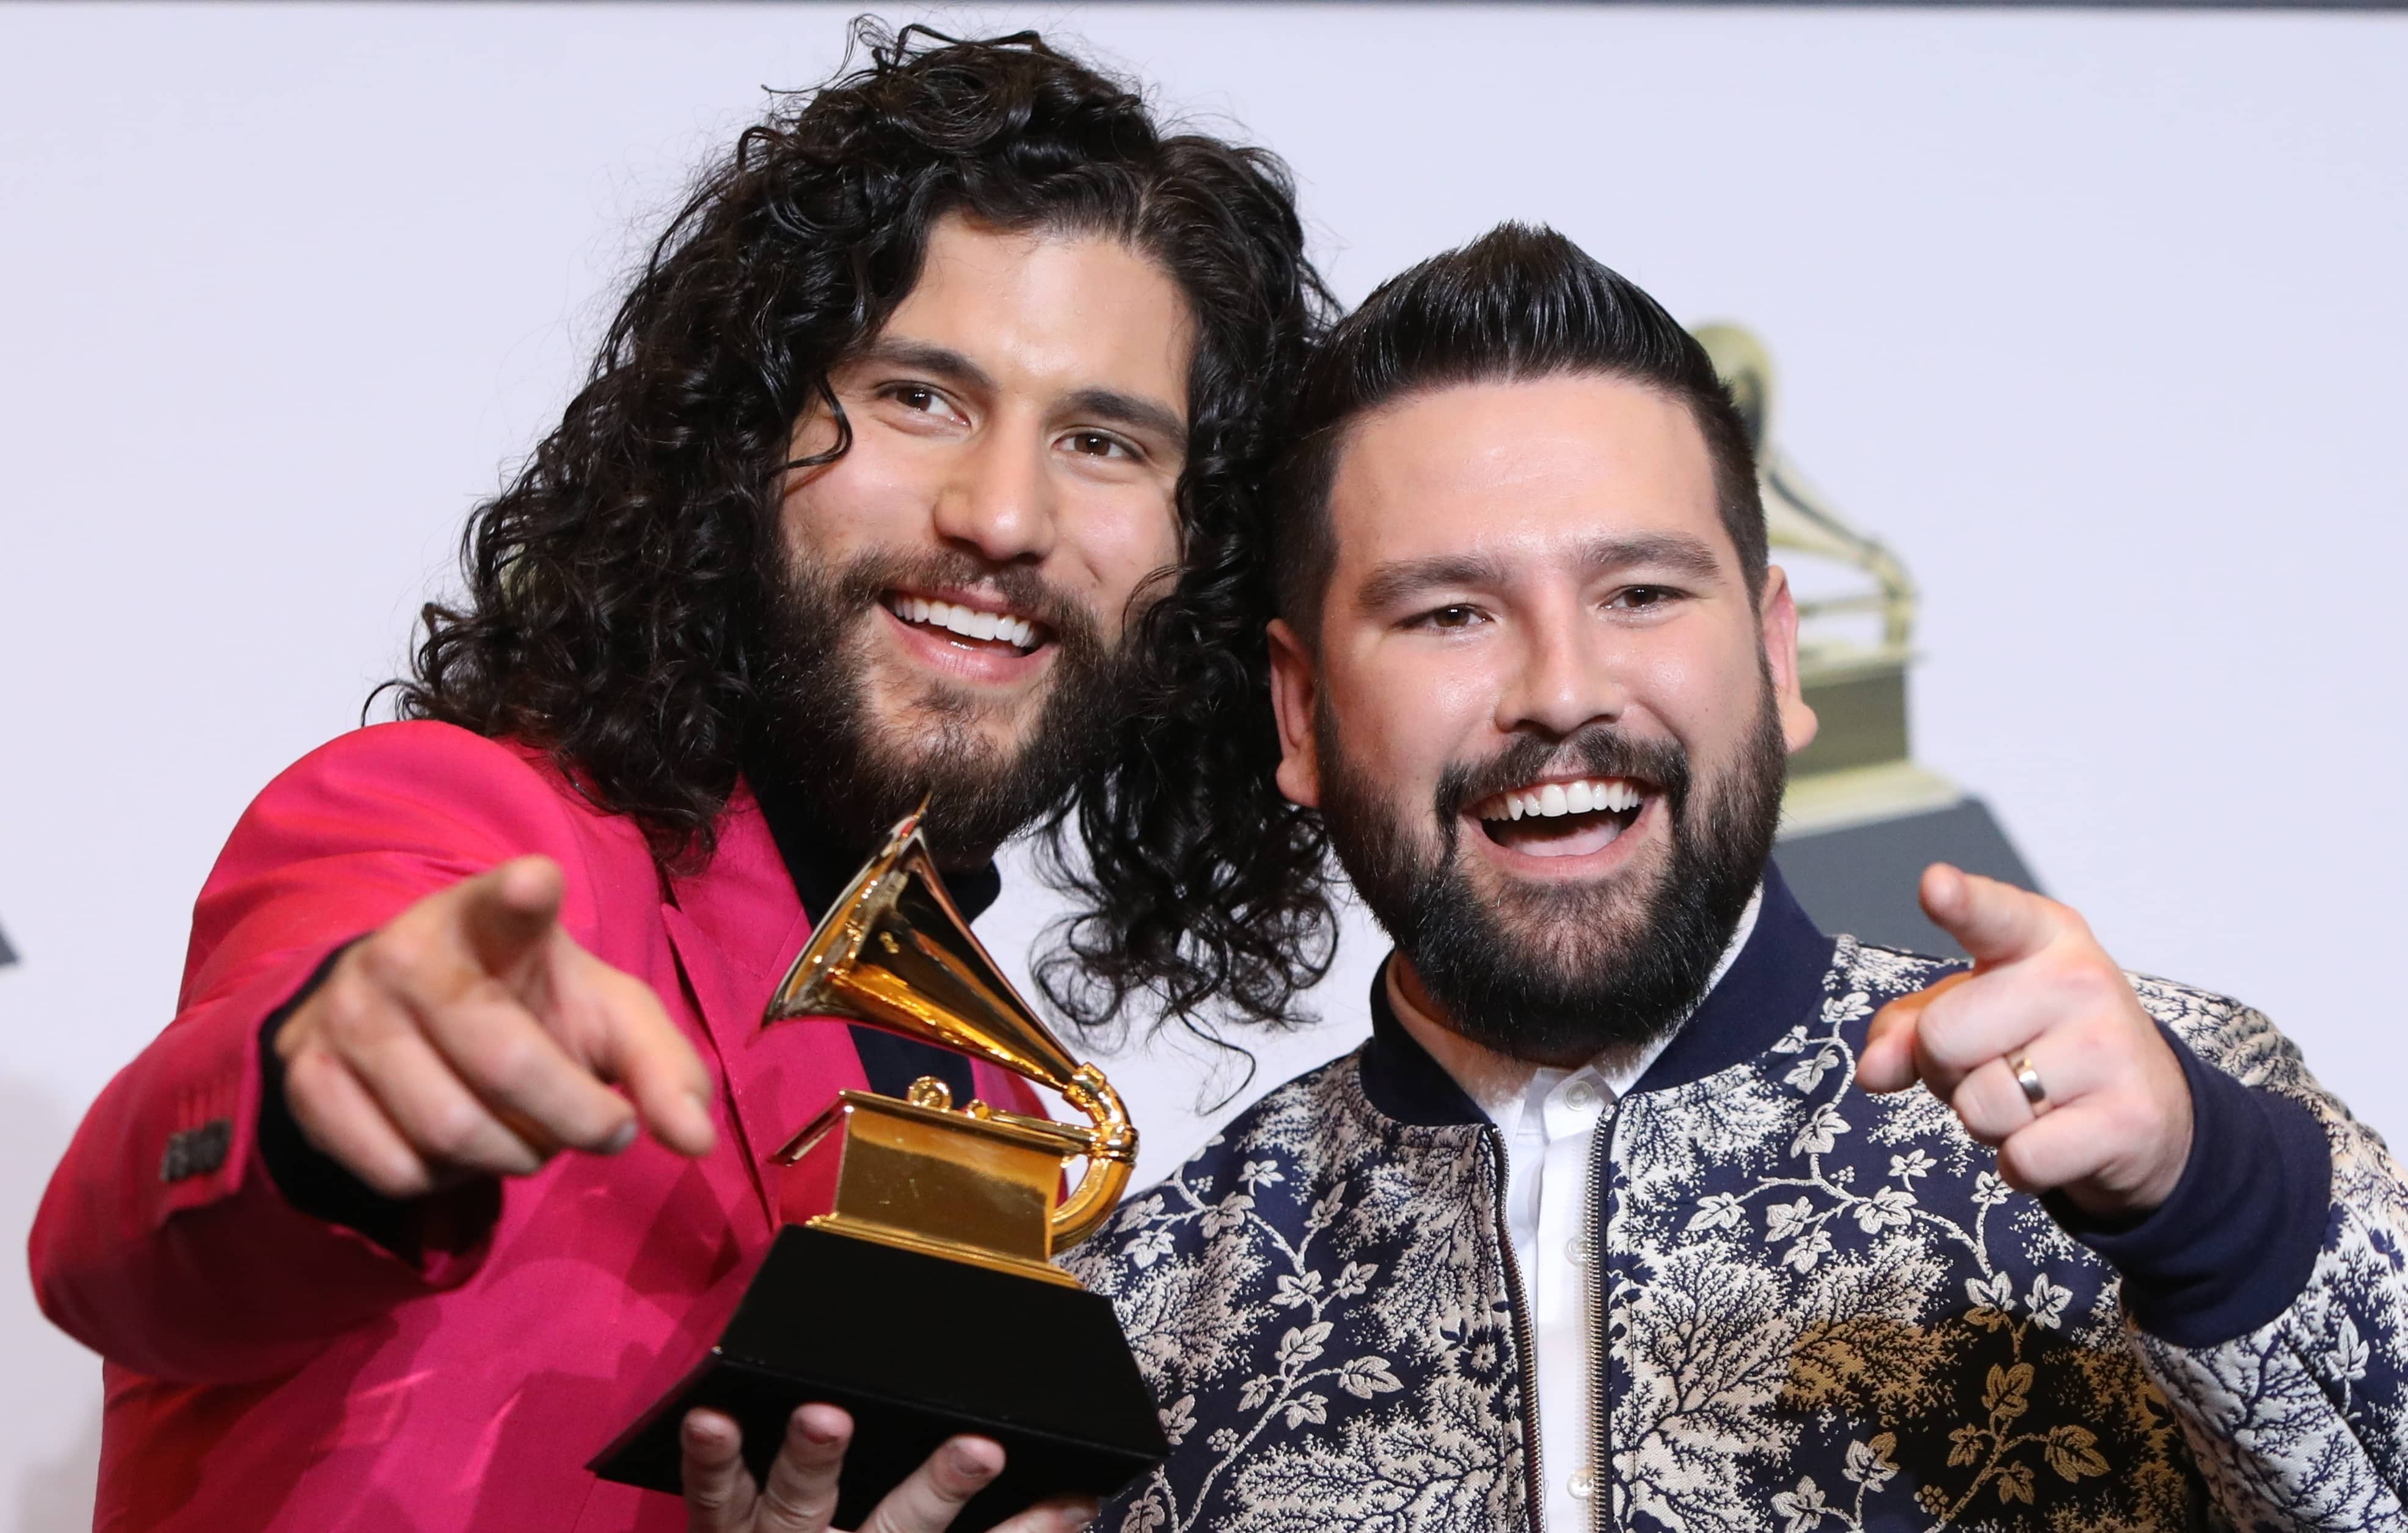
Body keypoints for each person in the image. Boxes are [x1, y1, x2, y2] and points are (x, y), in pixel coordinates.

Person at [27, 24, 1338, 1533]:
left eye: (1105, 441)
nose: (1003, 515)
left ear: (1195, 559)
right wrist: (315, 1098)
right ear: (745, 437)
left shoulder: (972, 1088)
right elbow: (120, 1246)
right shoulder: (451, 831)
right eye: (920, 397)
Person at [1055, 225, 2406, 1530]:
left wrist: (2217, 1212)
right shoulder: (1148, 1320)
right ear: (1300, 715)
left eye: (1640, 593)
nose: (1563, 690)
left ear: (1775, 656)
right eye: (1449, 613)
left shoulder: (2163, 1133)